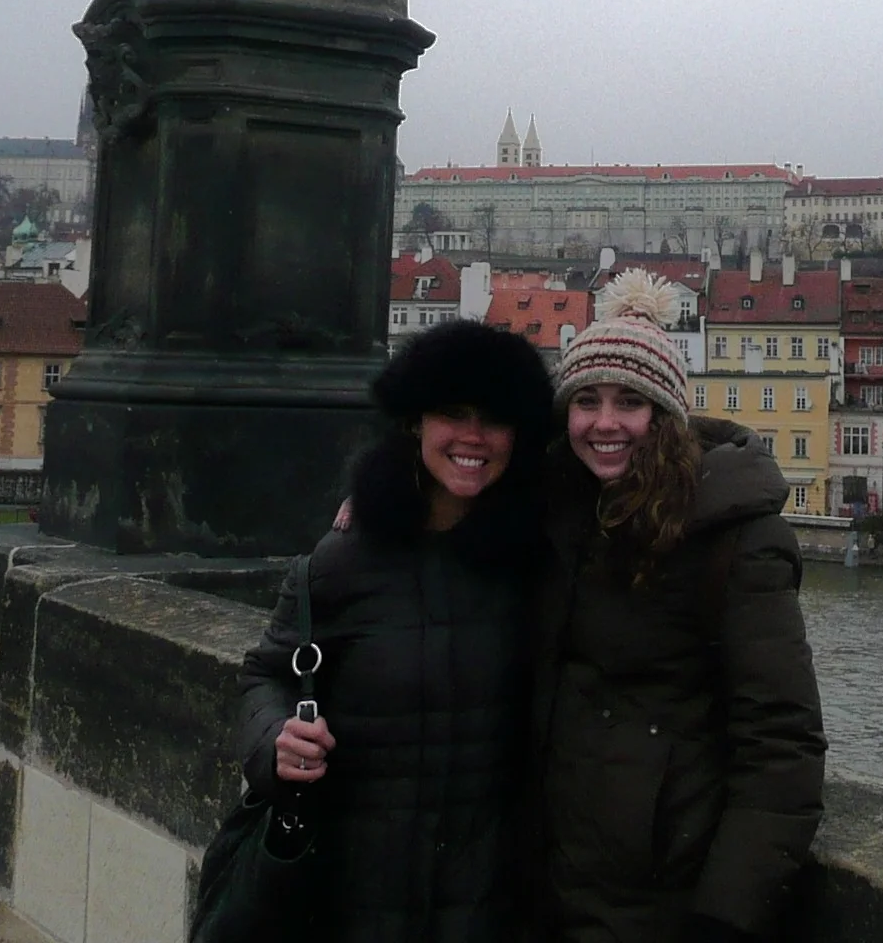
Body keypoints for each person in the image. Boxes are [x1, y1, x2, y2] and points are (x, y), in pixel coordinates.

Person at [235, 319, 551, 942]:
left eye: (494, 418)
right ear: (414, 422)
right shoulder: (346, 557)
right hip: (354, 892)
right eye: (452, 413)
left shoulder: (537, 558)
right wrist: (276, 740)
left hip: (491, 901)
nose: (473, 437)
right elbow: (265, 675)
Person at [536, 270, 827, 943]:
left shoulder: (738, 536)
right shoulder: (557, 509)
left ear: (666, 417)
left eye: (628, 403)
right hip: (547, 884)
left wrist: (725, 916)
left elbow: (781, 741)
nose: (604, 423)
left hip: (660, 897)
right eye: (586, 401)